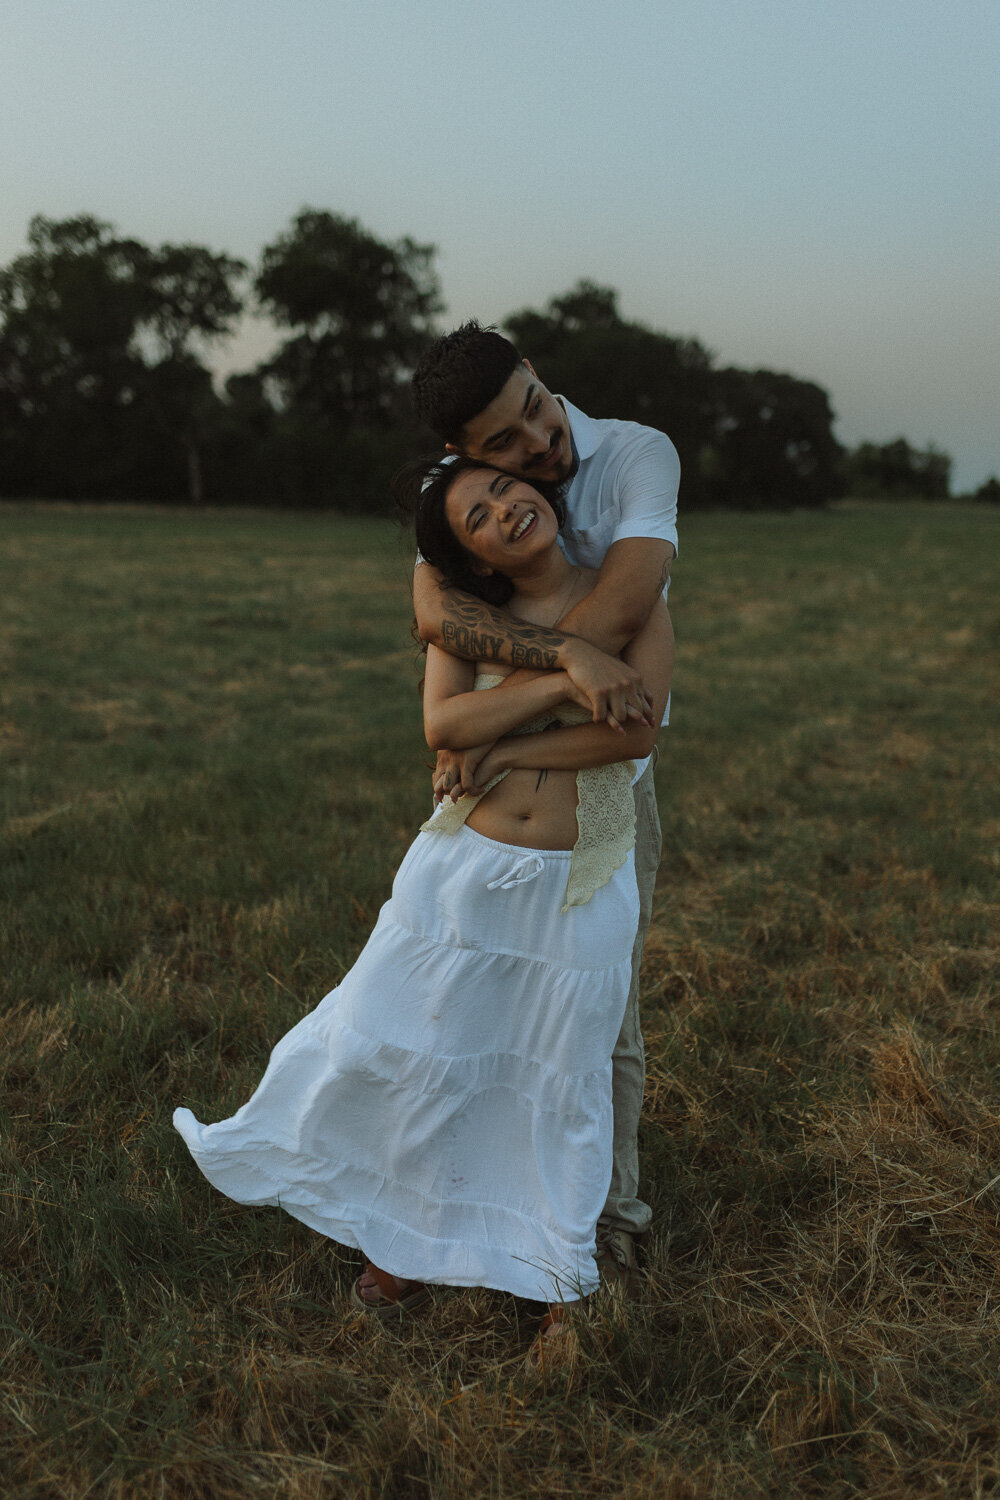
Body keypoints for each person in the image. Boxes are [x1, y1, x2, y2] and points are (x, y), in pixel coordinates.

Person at [173, 455, 671, 1340]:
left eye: (506, 490)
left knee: (557, 1080)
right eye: (479, 516)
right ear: (470, 555)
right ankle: (402, 1240)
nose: (506, 510)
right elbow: (442, 728)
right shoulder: (469, 622)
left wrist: (510, 747)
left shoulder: (629, 599)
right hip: (463, 876)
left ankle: (555, 1273)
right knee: (424, 1056)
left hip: (580, 878)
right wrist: (568, 679)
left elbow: (630, 740)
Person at [410, 323, 680, 1291]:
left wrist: (494, 731)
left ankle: (608, 1221)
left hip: (603, 789)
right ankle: (443, 1209)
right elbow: (439, 612)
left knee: (601, 1024)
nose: (538, 444)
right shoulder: (458, 487)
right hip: (484, 810)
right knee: (461, 1009)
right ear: (468, 456)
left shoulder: (637, 453)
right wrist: (562, 663)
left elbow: (620, 618)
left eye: (536, 406)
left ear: (535, 372)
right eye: (505, 446)